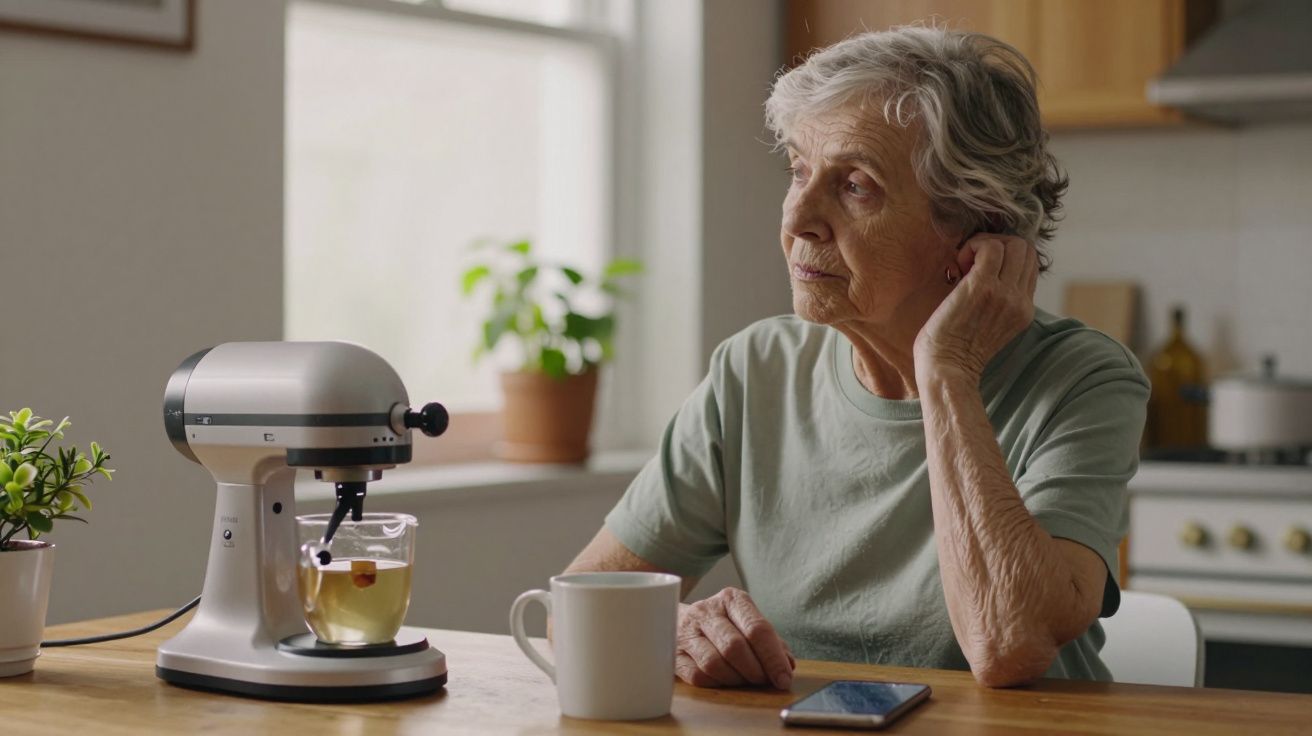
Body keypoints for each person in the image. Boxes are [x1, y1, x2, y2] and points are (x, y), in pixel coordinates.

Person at [565, 25, 1148, 689]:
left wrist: (947, 372)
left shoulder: (1083, 379)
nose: (798, 218)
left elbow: (1008, 644)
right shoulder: (756, 371)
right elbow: (573, 608)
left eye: (855, 185)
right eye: (799, 171)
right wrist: (669, 629)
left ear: (973, 226)